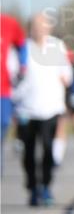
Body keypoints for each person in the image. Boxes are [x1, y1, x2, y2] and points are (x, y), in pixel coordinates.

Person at [13, 13, 72, 206]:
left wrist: (64, 80)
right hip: (27, 108)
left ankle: (46, 186)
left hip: (51, 107)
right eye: (36, 25)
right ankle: (32, 187)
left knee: (47, 148)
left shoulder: (56, 47)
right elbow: (12, 73)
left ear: (49, 28)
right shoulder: (23, 48)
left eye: (44, 25)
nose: (40, 29)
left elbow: (67, 74)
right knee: (29, 151)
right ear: (31, 28)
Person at [1, 13, 27, 145]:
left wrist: (23, 67)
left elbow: (22, 45)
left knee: (3, 125)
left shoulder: (9, 23)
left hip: (3, 89)